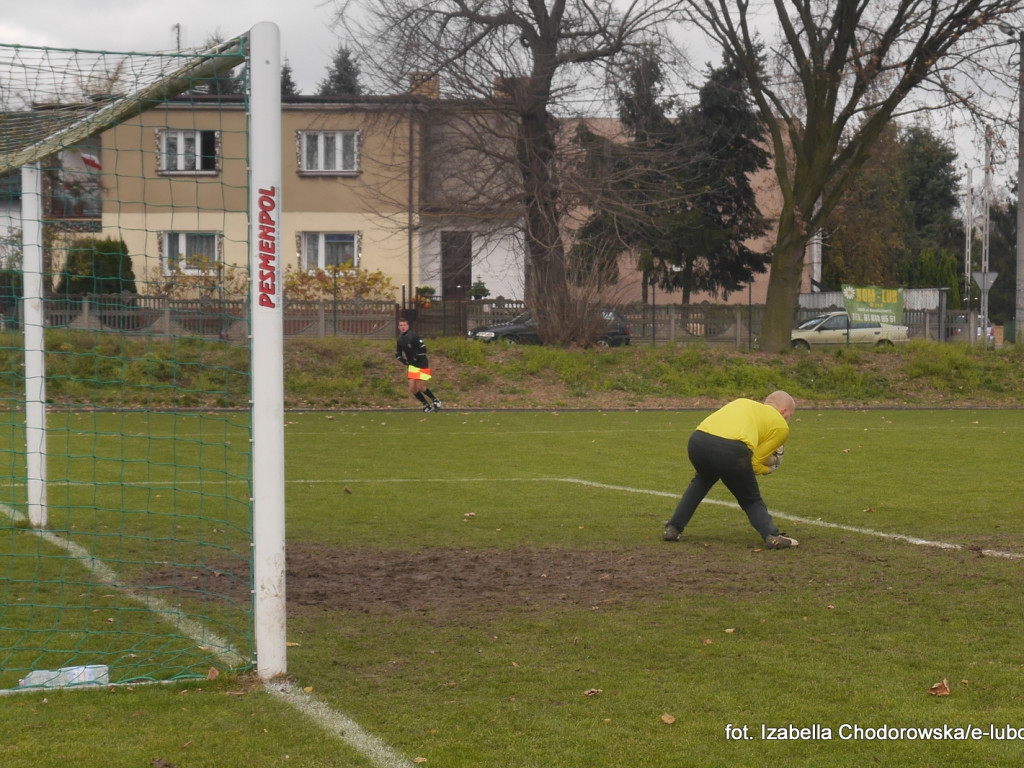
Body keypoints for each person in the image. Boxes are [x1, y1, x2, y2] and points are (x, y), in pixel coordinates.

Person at [663, 390, 798, 549]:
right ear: (783, 412)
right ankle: (772, 536)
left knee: (701, 481)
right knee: (750, 498)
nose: (787, 421)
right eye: (789, 417)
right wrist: (769, 469)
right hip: (730, 449)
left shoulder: (743, 402)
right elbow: (754, 464)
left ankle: (673, 528)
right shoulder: (781, 426)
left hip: (698, 441)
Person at [396, 317, 442, 413]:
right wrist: (401, 360)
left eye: (404, 325)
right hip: (412, 365)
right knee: (412, 388)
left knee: (420, 386)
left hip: (421, 362)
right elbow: (398, 353)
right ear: (398, 327)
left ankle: (435, 400)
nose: (403, 327)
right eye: (401, 325)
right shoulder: (400, 339)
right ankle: (426, 404)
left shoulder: (413, 336)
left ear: (408, 326)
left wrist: (415, 358)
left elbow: (423, 349)